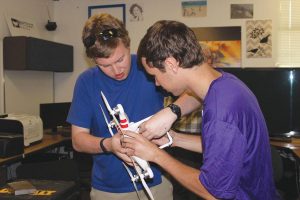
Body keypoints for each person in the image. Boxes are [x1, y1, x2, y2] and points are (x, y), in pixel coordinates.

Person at [122, 20, 280, 199]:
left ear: (172, 64)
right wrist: (175, 138)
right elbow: (224, 151)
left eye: (155, 76)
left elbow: (213, 192)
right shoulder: (225, 83)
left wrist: (156, 155)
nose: (157, 83)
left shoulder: (221, 113)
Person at [67, 14, 173, 200]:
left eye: (120, 59)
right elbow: (78, 140)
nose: (116, 70)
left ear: (128, 44)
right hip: (109, 190)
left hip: (158, 181)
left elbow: (194, 94)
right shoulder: (86, 82)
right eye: (104, 65)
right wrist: (109, 145)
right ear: (93, 61)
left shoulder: (148, 66)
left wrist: (172, 112)